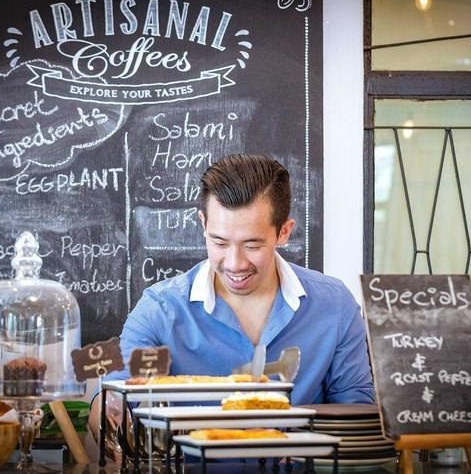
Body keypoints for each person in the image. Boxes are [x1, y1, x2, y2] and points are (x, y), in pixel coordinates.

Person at [88, 154, 374, 447]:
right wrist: (112, 415)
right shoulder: (160, 309)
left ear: (284, 232)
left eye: (252, 245)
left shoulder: (334, 305)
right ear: (203, 223)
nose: (235, 263)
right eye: (220, 242)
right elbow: (114, 396)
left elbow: (356, 408)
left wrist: (306, 446)